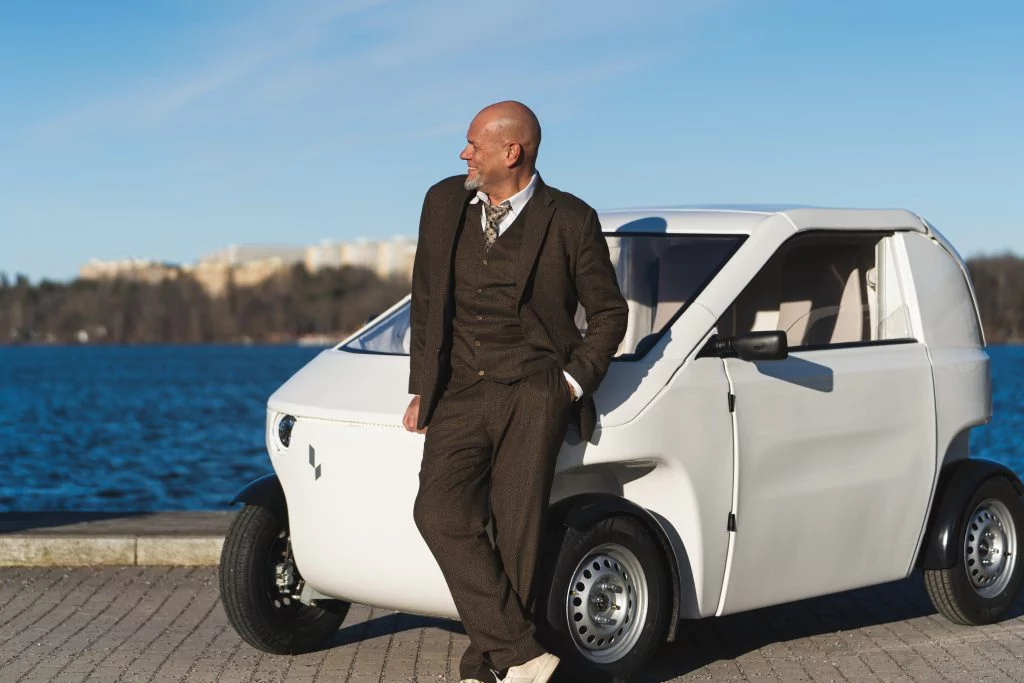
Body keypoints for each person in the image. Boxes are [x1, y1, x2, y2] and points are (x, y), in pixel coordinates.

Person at [403, 101, 628, 683]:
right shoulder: (442, 201)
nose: (463, 153)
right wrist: (420, 388)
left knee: (516, 529)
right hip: (458, 388)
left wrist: (571, 383)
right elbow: (426, 299)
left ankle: (489, 667)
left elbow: (608, 313)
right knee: (438, 511)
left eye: (473, 144)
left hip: (534, 390)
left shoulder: (571, 219)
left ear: (512, 152)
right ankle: (524, 657)